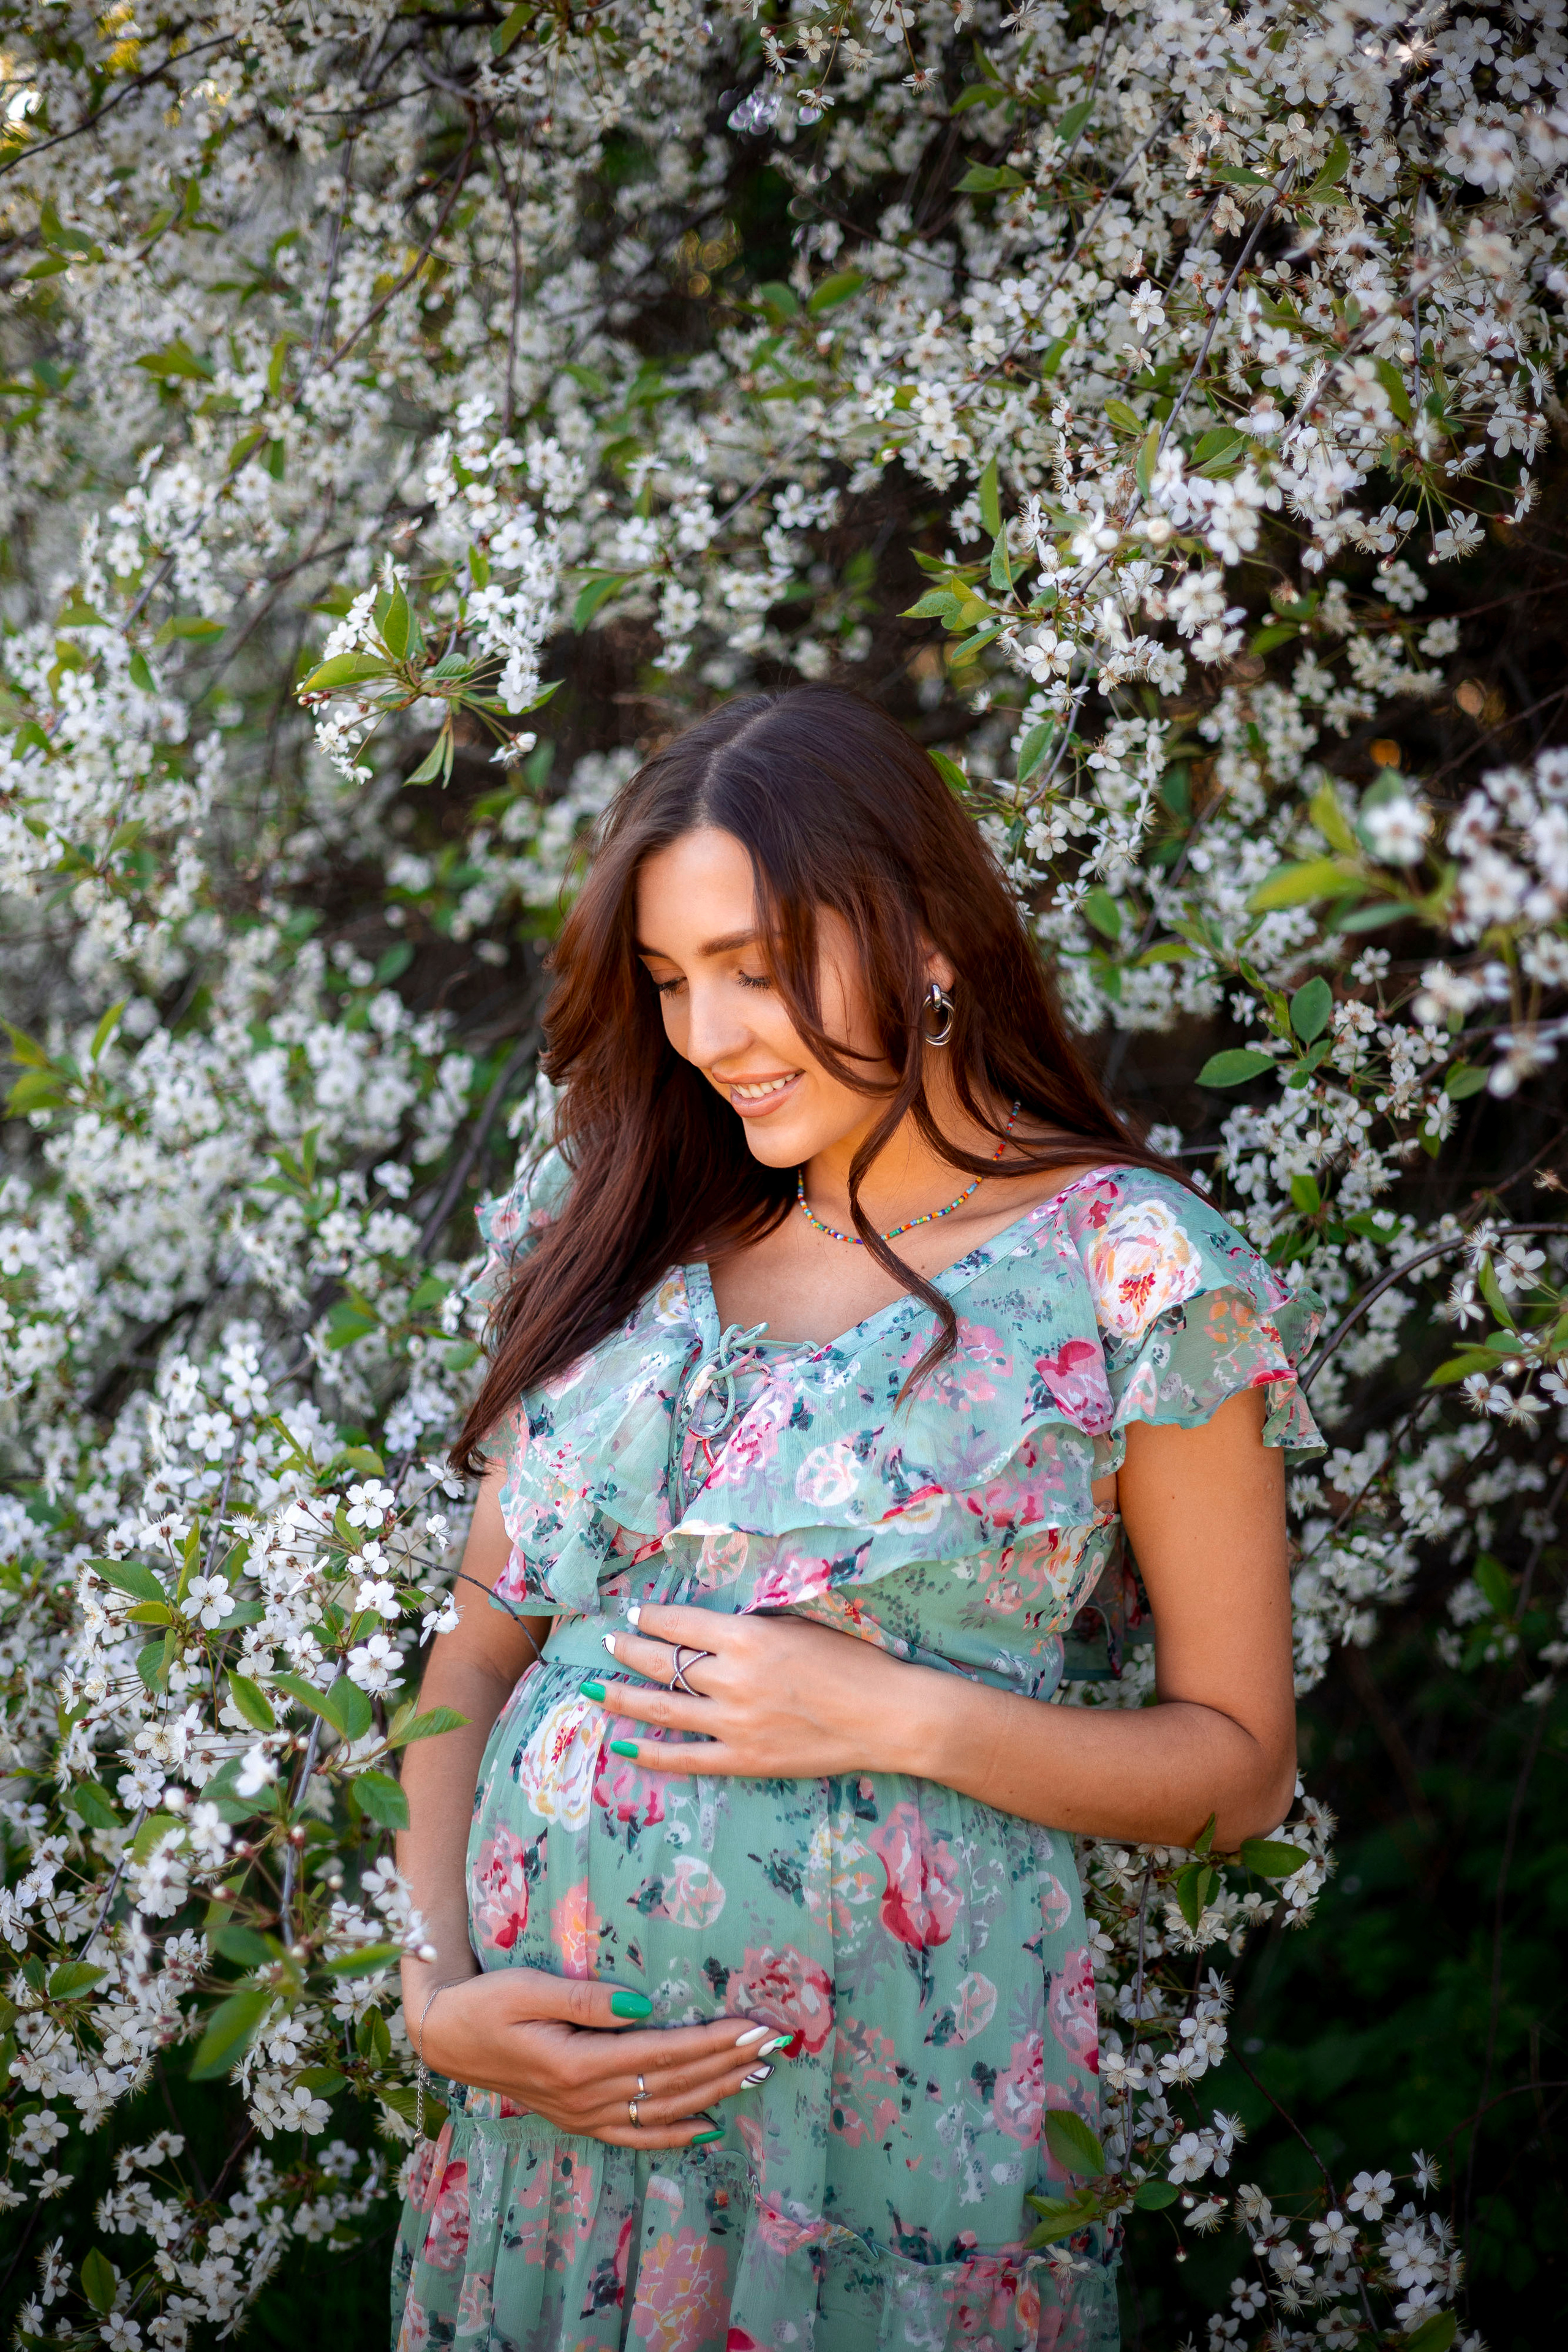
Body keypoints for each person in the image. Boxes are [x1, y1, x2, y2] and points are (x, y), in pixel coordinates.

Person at [390, 685, 1321, 2352]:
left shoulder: (1130, 1271)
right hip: (554, 2132)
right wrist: (439, 2000)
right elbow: (468, 1660)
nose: (711, 1035)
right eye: (674, 984)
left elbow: (1241, 1770)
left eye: (759, 967)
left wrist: (896, 1716)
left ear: (932, 938)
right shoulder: (621, 1221)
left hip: (893, 2131)